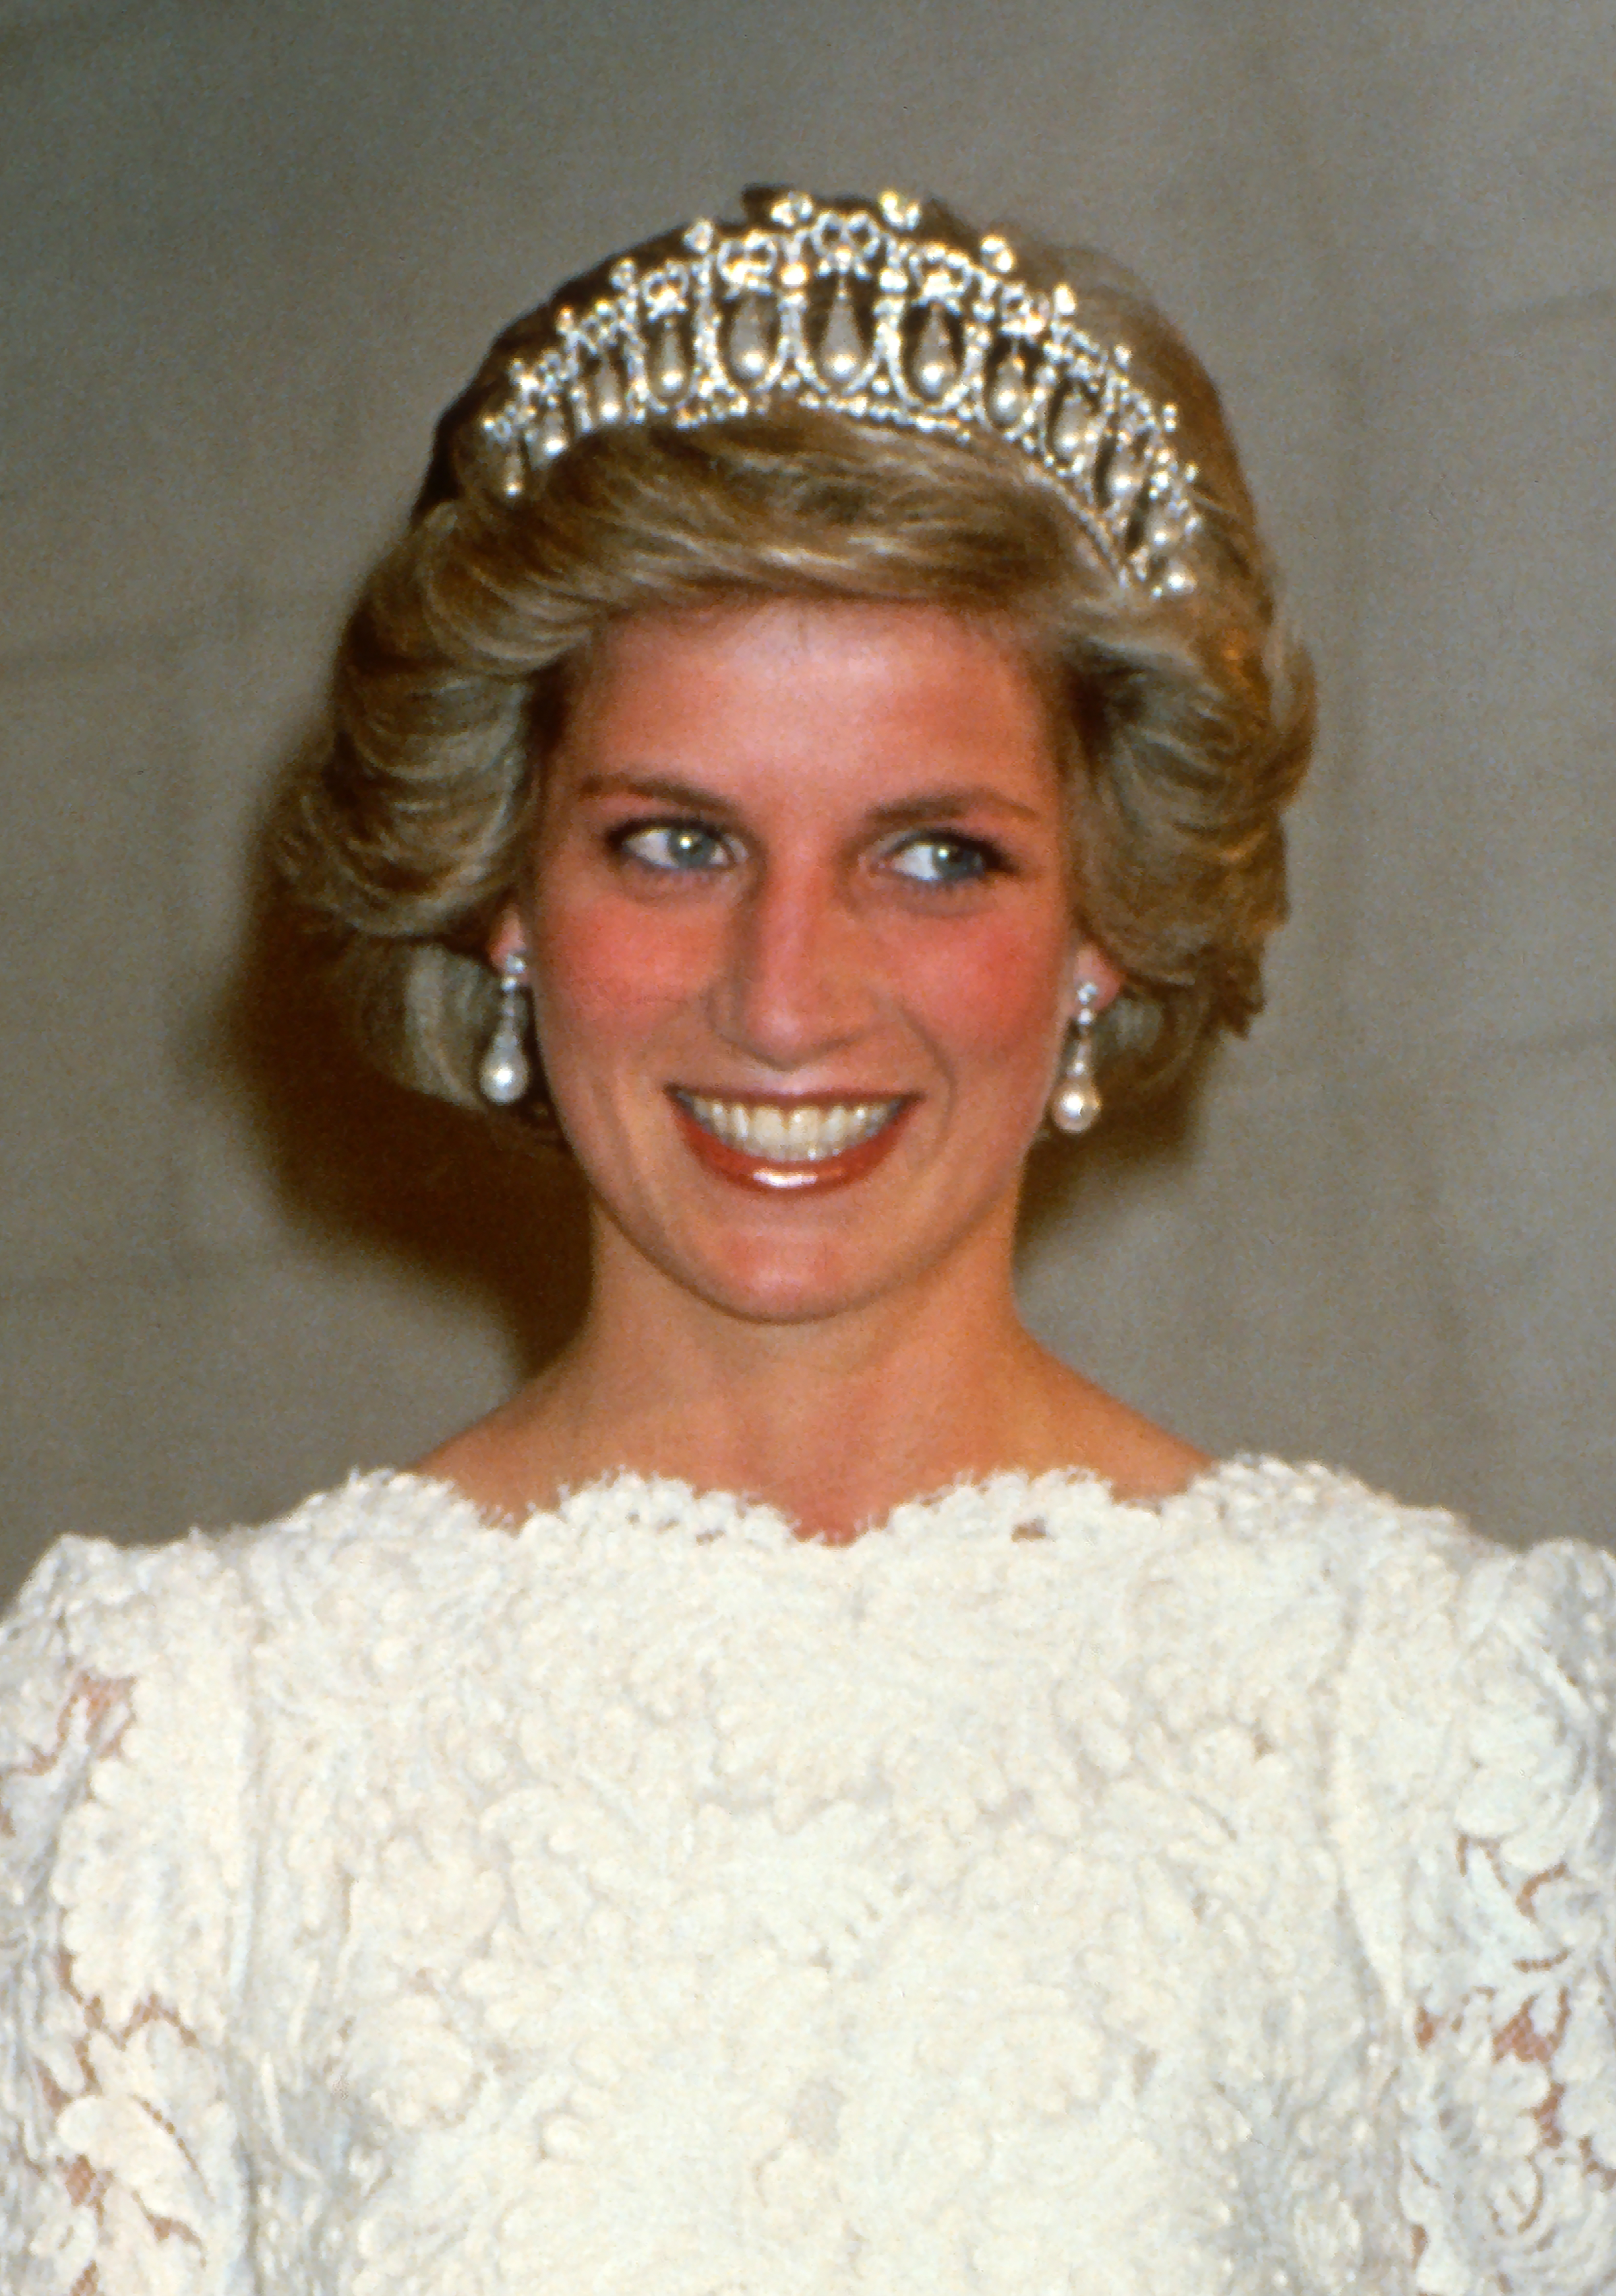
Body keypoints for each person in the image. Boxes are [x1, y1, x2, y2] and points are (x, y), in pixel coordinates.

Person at [1, 187, 1611, 2294]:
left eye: (936, 858)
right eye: (674, 844)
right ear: (504, 889)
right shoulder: (175, 1751)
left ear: (1104, 933)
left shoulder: (1443, 1741)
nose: (784, 998)